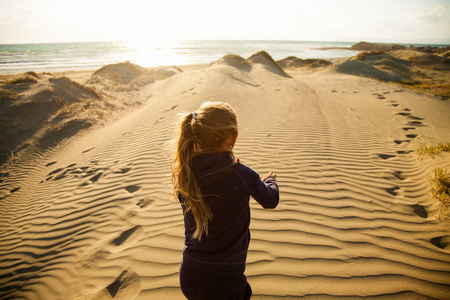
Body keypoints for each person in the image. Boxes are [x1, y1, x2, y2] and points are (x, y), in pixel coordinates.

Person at [172, 102, 279, 300]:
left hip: (189, 274)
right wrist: (270, 180)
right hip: (223, 280)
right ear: (233, 138)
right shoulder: (240, 174)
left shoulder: (186, 173)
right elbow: (270, 200)